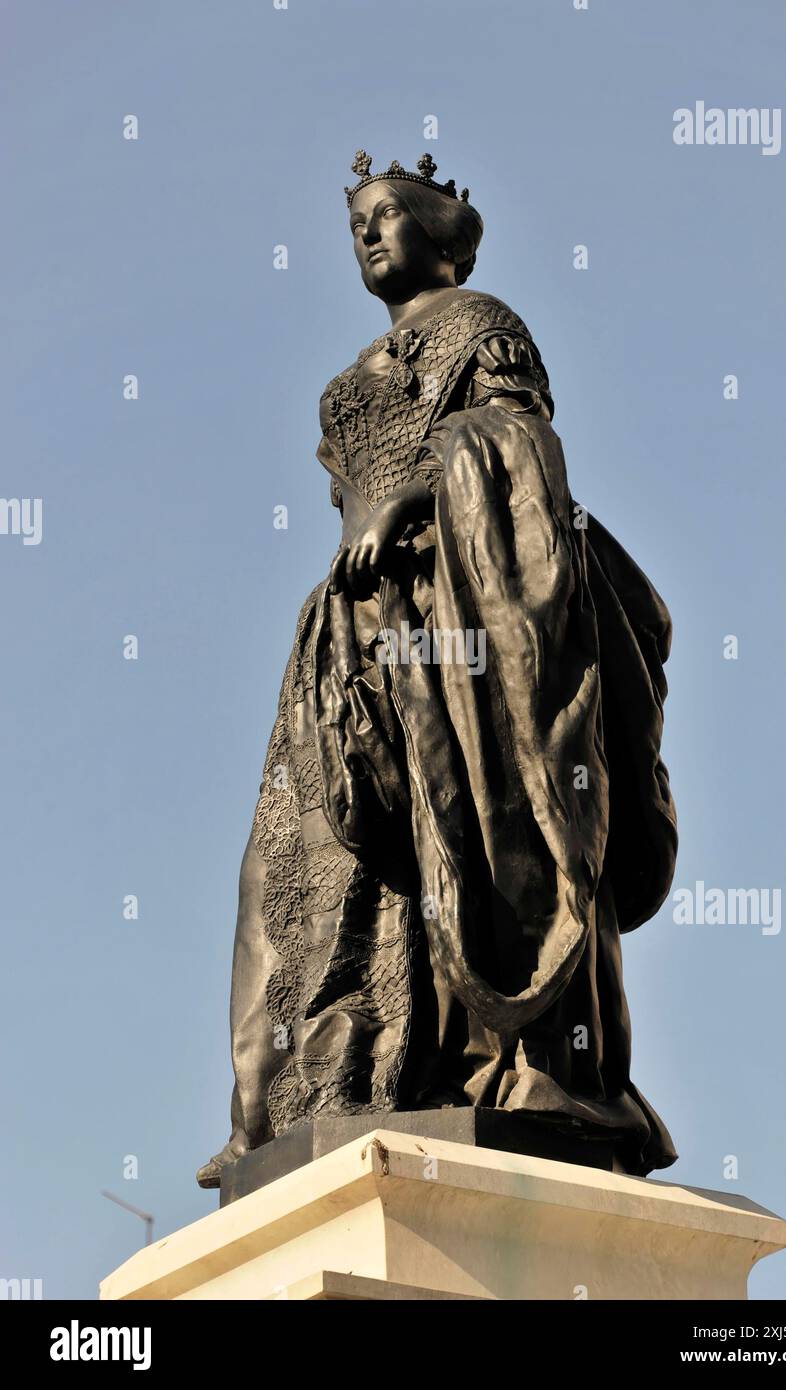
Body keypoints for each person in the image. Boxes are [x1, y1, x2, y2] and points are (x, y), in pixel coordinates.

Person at [196, 151, 678, 1188]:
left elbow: (519, 443)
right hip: (351, 641)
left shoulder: (480, 324)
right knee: (304, 850)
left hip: (458, 626)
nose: (368, 234)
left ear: (445, 236)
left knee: (455, 833)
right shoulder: (351, 382)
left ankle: (494, 1068)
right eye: (357, 221)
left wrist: (414, 501)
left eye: (390, 215)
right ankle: (314, 1089)